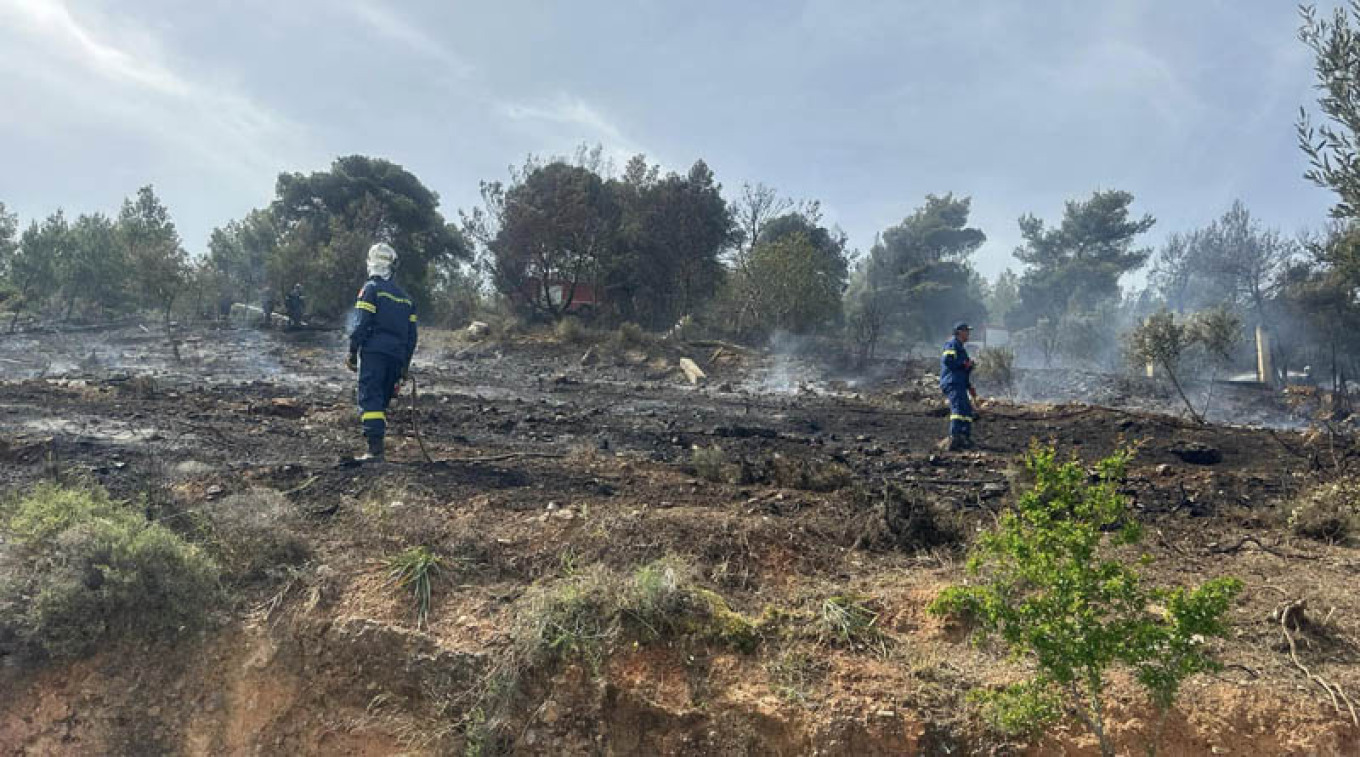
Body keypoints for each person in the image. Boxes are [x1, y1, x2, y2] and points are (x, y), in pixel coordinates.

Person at [347, 243, 418, 462]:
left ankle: (374, 451)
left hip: (374, 354)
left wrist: (352, 352)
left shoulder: (371, 289)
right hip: (396, 357)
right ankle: (377, 448)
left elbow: (361, 323)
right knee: (382, 401)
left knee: (371, 398)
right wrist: (404, 366)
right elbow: (412, 338)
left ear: (370, 262)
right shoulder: (406, 299)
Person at [940, 321, 978, 451]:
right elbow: (948, 360)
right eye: (966, 331)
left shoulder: (961, 349)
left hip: (960, 383)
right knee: (958, 408)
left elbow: (964, 371)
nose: (968, 334)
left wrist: (969, 386)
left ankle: (964, 436)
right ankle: (954, 437)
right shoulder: (951, 344)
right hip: (952, 382)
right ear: (959, 332)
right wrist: (964, 364)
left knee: (966, 410)